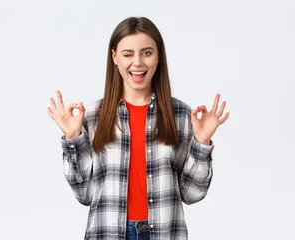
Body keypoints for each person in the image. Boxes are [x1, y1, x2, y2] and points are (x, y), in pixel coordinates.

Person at [46, 16, 229, 240]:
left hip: (163, 233)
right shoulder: (93, 116)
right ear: (114, 57)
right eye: (128, 54)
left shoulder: (180, 115)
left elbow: (192, 194)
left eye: (147, 52)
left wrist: (201, 142)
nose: (138, 63)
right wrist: (73, 137)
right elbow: (85, 194)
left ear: (158, 56)